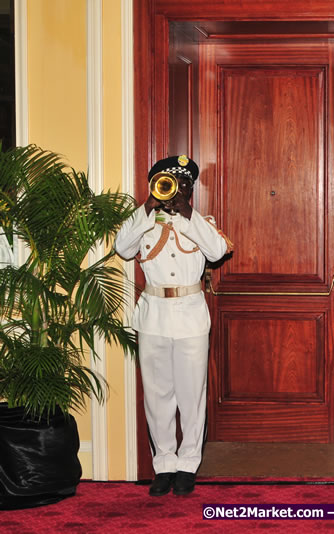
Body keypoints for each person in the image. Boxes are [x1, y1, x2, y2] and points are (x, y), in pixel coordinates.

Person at [115, 155, 232, 497]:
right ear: (155, 185)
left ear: (190, 190)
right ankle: (164, 464)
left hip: (190, 317)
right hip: (153, 315)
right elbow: (122, 248)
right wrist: (148, 207)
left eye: (183, 185)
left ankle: (188, 464)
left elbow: (217, 251)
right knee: (157, 396)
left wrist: (188, 215)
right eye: (167, 183)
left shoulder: (200, 222)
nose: (175, 190)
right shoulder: (143, 220)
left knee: (191, 396)